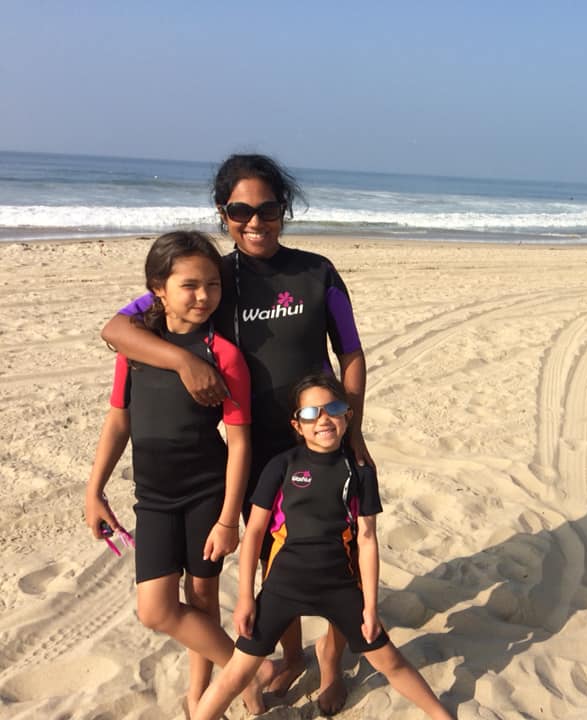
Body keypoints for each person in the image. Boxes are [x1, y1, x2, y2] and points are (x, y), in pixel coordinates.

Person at [101, 154, 369, 712]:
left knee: (338, 548)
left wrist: (353, 428)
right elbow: (119, 327)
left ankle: (330, 658)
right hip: (258, 447)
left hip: (321, 433)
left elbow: (350, 352)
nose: (255, 221)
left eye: (268, 208)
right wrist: (183, 363)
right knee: (277, 558)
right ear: (223, 214)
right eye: (240, 210)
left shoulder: (317, 272)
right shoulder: (214, 279)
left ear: (284, 209)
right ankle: (291, 655)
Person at [192, 373, 452, 720]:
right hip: (282, 587)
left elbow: (367, 538)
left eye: (333, 409)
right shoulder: (282, 466)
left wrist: (370, 607)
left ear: (347, 415)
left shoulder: (360, 472)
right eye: (311, 413)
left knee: (390, 661)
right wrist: (244, 599)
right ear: (297, 425)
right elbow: (253, 532)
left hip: (339, 587)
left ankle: (443, 716)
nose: (323, 419)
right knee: (236, 675)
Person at [84, 231, 264, 716]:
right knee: (156, 609)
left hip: (207, 492)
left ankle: (200, 691)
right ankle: (246, 670)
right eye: (190, 285)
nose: (203, 296)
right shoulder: (137, 348)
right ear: (157, 289)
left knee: (202, 599)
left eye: (212, 284)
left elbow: (239, 441)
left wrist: (228, 519)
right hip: (154, 498)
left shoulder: (223, 354)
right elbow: (118, 420)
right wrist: (94, 490)